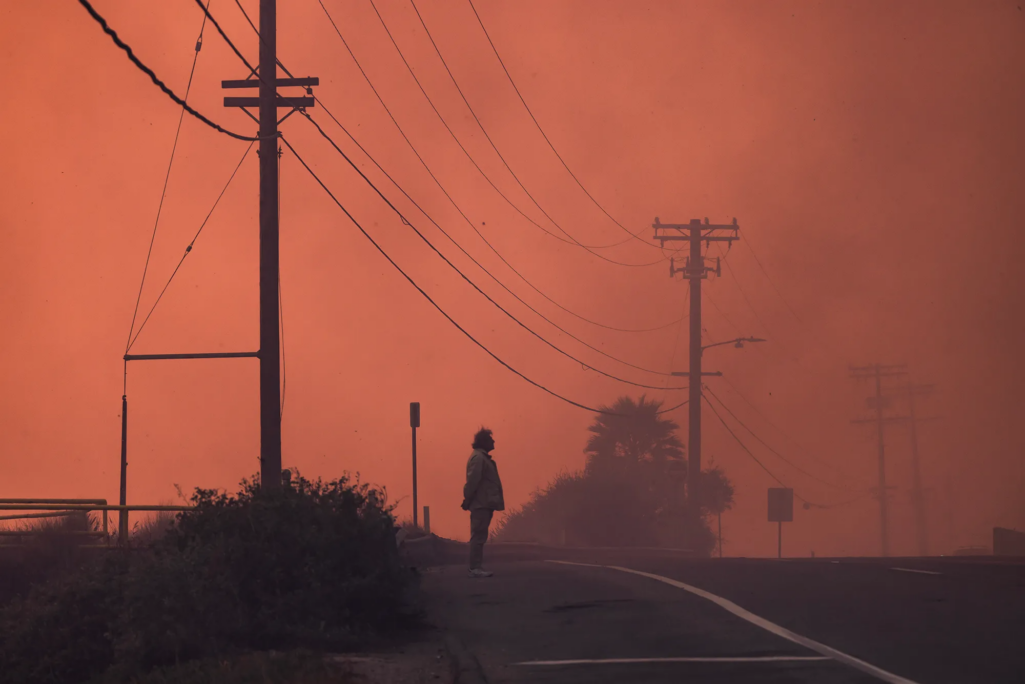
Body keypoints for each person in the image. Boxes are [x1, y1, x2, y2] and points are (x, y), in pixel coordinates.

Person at [461, 427, 504, 578]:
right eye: (491, 439)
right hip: (481, 503)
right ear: (484, 441)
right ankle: (475, 567)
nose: (493, 441)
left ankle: (476, 566)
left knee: (479, 535)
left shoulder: (481, 458)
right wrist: (468, 499)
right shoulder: (479, 459)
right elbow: (472, 482)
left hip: (483, 503)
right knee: (478, 536)